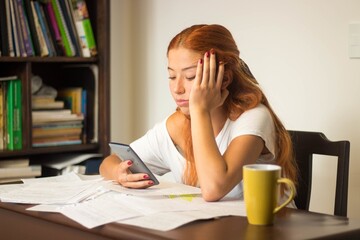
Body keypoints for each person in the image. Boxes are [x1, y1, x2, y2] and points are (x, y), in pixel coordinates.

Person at [99, 24, 298, 202]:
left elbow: (214, 189)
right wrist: (119, 172)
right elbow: (110, 162)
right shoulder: (176, 125)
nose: (177, 88)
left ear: (224, 78)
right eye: (171, 76)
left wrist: (200, 110)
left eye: (190, 76)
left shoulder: (254, 117)